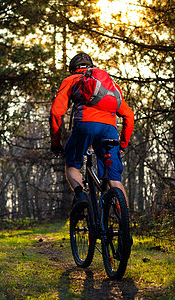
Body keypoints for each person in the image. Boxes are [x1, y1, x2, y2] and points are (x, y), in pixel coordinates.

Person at [49, 52, 134, 208]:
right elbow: (128, 115)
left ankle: (81, 195)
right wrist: (122, 144)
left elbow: (56, 112)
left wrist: (56, 143)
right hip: (110, 129)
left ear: (73, 69)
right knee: (115, 180)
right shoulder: (108, 83)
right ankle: (126, 228)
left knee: (73, 164)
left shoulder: (71, 80)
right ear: (91, 66)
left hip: (85, 125)